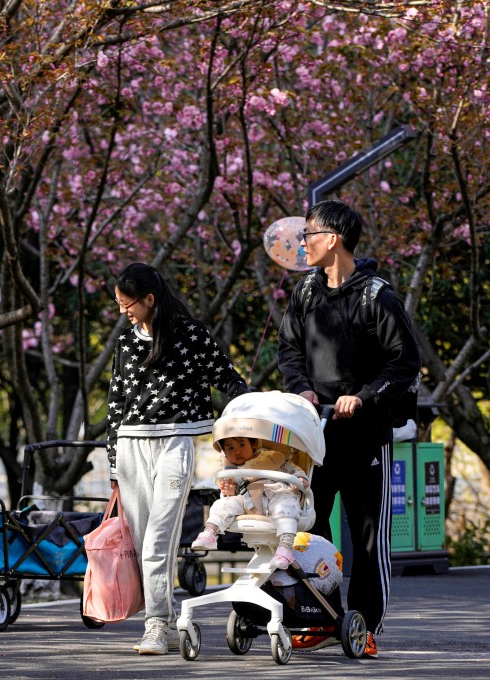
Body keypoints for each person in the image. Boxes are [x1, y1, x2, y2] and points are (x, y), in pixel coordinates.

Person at [278, 199, 421, 659]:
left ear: (333, 238)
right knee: (310, 531)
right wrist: (300, 389)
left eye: (309, 235)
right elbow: (289, 349)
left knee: (366, 538)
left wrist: (363, 396)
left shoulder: (377, 296)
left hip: (366, 437)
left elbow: (405, 363)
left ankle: (364, 623)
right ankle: (322, 617)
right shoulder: (304, 292)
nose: (303, 244)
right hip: (314, 436)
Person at [107, 263, 249, 655]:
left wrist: (254, 405)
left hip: (175, 444)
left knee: (158, 540)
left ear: (149, 299)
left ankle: (154, 625)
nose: (124, 312)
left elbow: (226, 376)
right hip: (131, 446)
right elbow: (115, 405)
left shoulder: (191, 335)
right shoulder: (125, 343)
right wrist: (114, 464)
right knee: (142, 544)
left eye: (127, 304)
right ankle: (166, 625)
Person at [191, 436, 309, 569]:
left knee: (286, 504)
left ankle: (285, 547)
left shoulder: (271, 457)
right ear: (224, 453)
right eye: (230, 448)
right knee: (223, 504)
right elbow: (234, 493)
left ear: (253, 444)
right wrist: (230, 491)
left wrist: (300, 478)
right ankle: (210, 533)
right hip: (248, 501)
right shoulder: (233, 471)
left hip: (276, 494)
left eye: (242, 445)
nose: (237, 451)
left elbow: (293, 469)